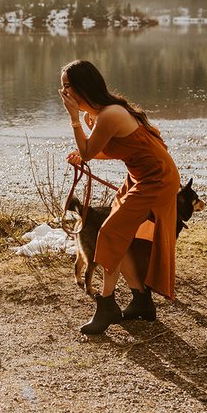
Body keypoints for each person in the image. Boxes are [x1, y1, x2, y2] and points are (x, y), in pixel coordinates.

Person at [58, 60, 180, 335]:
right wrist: (84, 152)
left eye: (67, 87)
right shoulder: (99, 114)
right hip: (140, 175)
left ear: (82, 87)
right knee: (119, 234)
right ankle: (140, 300)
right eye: (62, 86)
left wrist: (73, 119)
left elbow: (90, 150)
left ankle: (107, 304)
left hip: (157, 179)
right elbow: (112, 147)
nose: (63, 92)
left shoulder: (110, 113)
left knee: (111, 232)